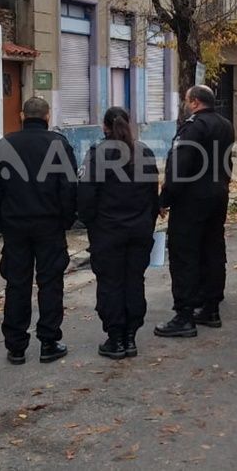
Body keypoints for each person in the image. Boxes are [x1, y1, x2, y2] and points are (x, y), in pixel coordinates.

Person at [0, 97, 77, 364]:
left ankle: (16, 346)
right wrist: (67, 219)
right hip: (49, 225)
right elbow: (69, 187)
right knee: (50, 282)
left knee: (17, 284)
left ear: (23, 116)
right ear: (47, 117)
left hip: (15, 226)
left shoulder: (5, 144)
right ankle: (49, 342)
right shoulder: (58, 144)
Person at [77, 107, 160, 359]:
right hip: (139, 231)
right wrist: (147, 223)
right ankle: (130, 338)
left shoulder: (96, 154)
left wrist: (91, 223)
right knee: (134, 281)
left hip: (107, 232)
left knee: (111, 283)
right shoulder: (144, 151)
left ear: (104, 127)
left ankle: (116, 339)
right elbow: (152, 195)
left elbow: (85, 196)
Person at [155, 85, 235, 338]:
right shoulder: (225, 124)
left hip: (192, 198)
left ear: (195, 103)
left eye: (187, 100)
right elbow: (228, 161)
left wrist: (164, 198)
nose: (186, 104)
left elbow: (181, 163)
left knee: (184, 253)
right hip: (218, 193)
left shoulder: (193, 126)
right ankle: (211, 308)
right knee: (212, 248)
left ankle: (184, 316)